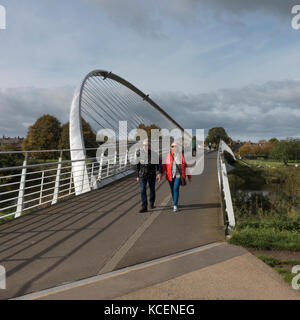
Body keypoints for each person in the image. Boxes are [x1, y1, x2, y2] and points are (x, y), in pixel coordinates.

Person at [162, 142, 191, 212]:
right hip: (170, 176)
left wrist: (189, 176)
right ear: (170, 148)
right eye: (172, 146)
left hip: (178, 175)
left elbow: (186, 166)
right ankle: (174, 200)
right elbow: (164, 166)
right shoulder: (168, 156)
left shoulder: (181, 156)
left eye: (175, 146)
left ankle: (175, 205)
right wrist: (160, 173)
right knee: (172, 189)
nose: (174, 148)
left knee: (175, 188)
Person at [136, 139, 162, 213]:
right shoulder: (139, 154)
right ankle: (144, 206)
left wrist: (159, 173)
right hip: (142, 175)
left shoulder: (154, 154)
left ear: (150, 146)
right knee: (142, 190)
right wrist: (137, 176)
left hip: (151, 174)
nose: (146, 147)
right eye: (144, 145)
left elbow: (159, 165)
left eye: (147, 145)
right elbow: (137, 165)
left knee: (152, 189)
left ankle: (151, 202)